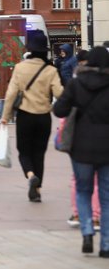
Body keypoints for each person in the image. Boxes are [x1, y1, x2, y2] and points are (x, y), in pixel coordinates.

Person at [54, 45, 109, 257]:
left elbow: (59, 109)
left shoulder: (76, 84)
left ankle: (86, 231)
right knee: (106, 197)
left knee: (83, 191)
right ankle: (106, 245)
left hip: (81, 148)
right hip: (107, 149)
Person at [1, 30, 63, 203]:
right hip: (44, 117)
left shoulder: (20, 68)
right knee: (39, 154)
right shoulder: (51, 70)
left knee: (24, 152)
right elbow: (60, 93)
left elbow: (11, 93)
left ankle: (30, 176)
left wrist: (5, 116)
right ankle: (37, 191)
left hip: (25, 116)